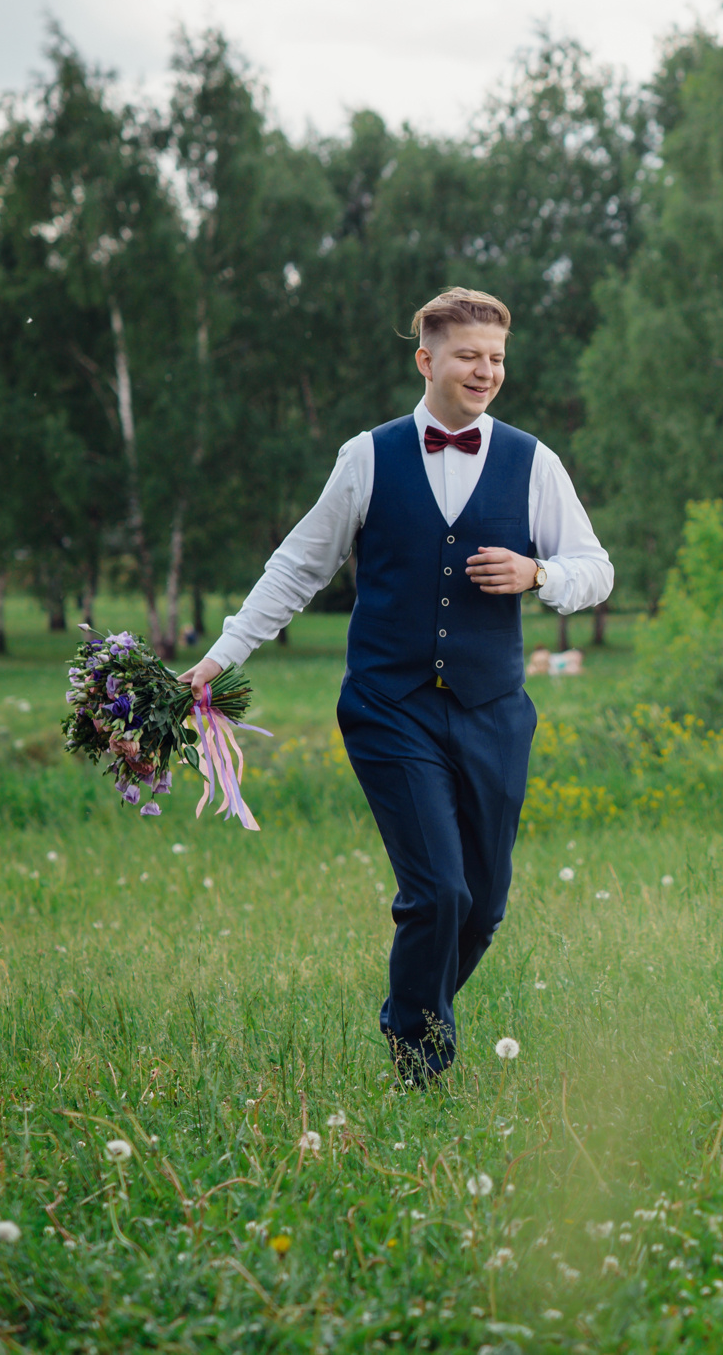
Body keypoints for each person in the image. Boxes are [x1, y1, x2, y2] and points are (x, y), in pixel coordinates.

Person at [181, 288, 614, 1084]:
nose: (485, 372)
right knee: (439, 892)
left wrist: (538, 572)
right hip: (390, 707)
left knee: (482, 907)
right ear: (426, 360)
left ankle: (408, 1013)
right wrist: (220, 656)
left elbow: (597, 568)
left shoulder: (533, 461)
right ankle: (419, 1062)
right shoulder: (367, 457)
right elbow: (299, 568)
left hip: (493, 712)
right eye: (468, 357)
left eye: (496, 359)